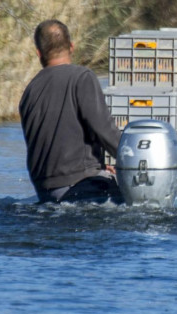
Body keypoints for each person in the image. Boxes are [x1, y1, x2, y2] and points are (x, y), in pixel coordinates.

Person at [19, 19, 123, 204]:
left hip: (45, 192)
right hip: (81, 188)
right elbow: (106, 132)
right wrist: (133, 160)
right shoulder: (82, 78)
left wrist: (97, 167)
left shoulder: (30, 90)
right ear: (72, 47)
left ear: (39, 53)